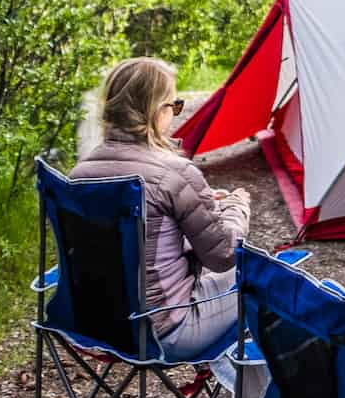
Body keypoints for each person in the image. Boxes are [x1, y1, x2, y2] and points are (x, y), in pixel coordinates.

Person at [70, 56, 252, 365]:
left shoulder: (80, 174)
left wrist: (199, 205)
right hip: (161, 331)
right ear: (155, 110)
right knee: (264, 278)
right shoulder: (175, 173)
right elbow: (223, 256)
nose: (175, 114)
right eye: (174, 106)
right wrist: (236, 206)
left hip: (93, 325)